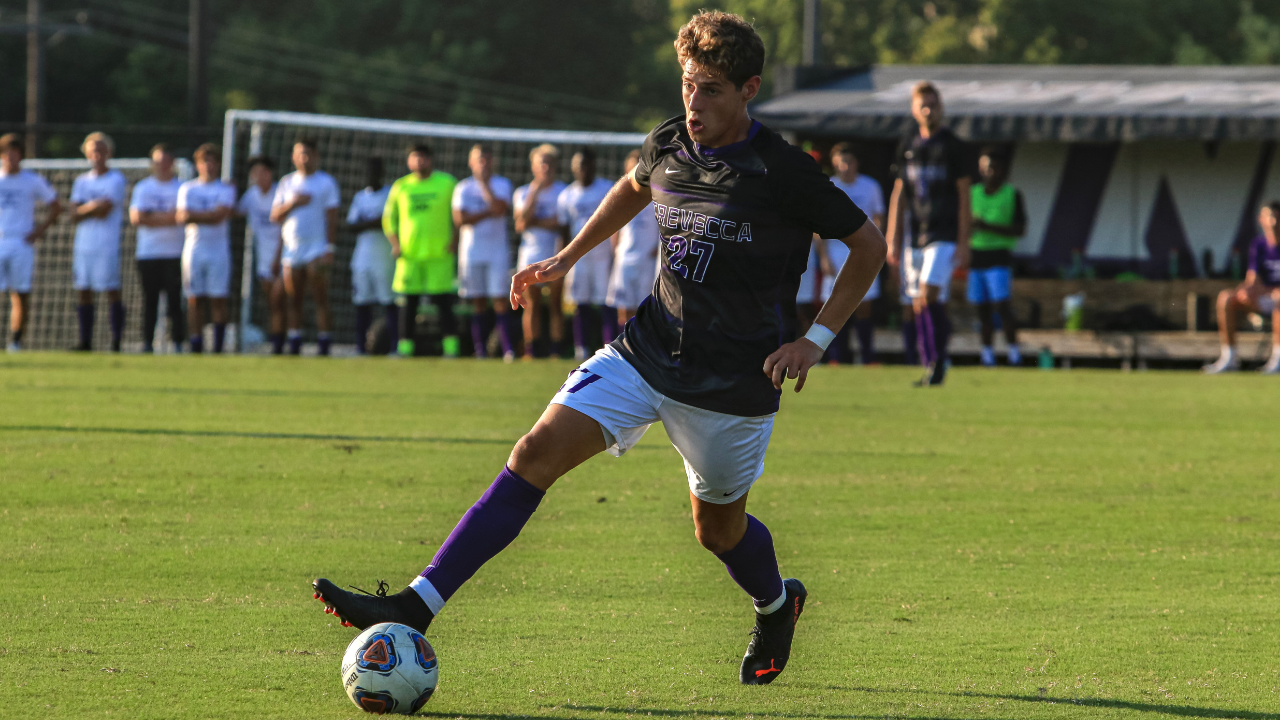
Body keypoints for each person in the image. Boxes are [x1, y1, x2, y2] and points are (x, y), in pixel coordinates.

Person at [312, 10, 886, 688]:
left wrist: (812, 340)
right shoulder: (670, 142)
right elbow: (633, 188)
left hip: (731, 384)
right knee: (532, 454)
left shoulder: (784, 172)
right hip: (645, 350)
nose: (693, 104)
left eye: (711, 90)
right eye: (686, 85)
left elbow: (869, 247)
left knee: (718, 533)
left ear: (749, 90)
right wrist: (565, 257)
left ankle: (775, 605)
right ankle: (417, 604)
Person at [886, 81, 971, 386]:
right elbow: (899, 193)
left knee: (928, 293)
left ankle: (936, 362)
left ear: (941, 107)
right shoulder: (907, 145)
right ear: (913, 109)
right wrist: (892, 237)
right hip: (916, 234)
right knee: (920, 303)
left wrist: (964, 241)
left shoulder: (953, 146)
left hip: (944, 233)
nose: (928, 109)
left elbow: (964, 195)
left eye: (933, 104)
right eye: (923, 104)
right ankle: (933, 360)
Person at [810, 142, 885, 364]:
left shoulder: (870, 186)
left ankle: (867, 357)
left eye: (849, 162)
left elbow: (879, 218)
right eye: (841, 162)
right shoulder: (828, 185)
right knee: (833, 305)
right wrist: (823, 257)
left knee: (864, 305)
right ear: (834, 164)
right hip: (835, 253)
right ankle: (836, 358)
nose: (846, 167)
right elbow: (816, 225)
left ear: (856, 163)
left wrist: (877, 251)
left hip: (864, 252)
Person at [383, 144, 459, 358]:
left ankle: (451, 348)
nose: (419, 162)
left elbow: (458, 216)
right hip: (409, 256)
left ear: (431, 159)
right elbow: (389, 219)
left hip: (440, 254)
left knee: (444, 303)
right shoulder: (401, 187)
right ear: (409, 161)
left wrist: (455, 239)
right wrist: (395, 243)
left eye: (423, 158)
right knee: (409, 303)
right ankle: (405, 348)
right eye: (415, 158)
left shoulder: (447, 183)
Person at [271, 137, 340, 356]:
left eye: (308, 153)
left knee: (320, 297)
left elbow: (332, 218)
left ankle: (324, 343)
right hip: (292, 249)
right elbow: (275, 215)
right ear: (293, 157)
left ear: (317, 156)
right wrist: (293, 203)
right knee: (294, 299)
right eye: (300, 153)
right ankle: (294, 342)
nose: (304, 158)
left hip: (317, 248)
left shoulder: (326, 183)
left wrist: (330, 248)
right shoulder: (287, 183)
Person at [452, 144, 515, 360]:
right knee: (477, 301)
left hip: (497, 252)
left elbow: (500, 209)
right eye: (479, 159)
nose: (483, 164)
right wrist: (488, 211)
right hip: (471, 252)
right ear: (471, 162)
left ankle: (507, 350)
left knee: (500, 299)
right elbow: (460, 219)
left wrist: (485, 186)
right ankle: (480, 350)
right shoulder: (463, 188)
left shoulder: (502, 184)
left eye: (487, 159)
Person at [0, 133, 61, 352]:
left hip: (21, 242)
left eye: (15, 154)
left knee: (20, 293)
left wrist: (39, 231)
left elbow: (55, 205)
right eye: (7, 154)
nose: (11, 158)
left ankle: (16, 342)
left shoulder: (31, 180)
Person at [1205, 201, 1280, 374]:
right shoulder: (1259, 245)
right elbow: (1252, 280)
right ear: (1261, 220)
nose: (1274, 223)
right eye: (1270, 218)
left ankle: (1278, 359)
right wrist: (1246, 291)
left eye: (1277, 218)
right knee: (1226, 298)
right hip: (1265, 299)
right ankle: (1229, 358)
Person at [968, 146, 1026, 367]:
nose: (988, 172)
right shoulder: (972, 193)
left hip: (999, 258)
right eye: (984, 168)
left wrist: (987, 226)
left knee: (1002, 307)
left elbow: (1020, 229)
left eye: (992, 168)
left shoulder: (1012, 194)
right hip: (977, 257)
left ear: (1001, 170)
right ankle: (987, 354)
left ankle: (1013, 352)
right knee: (981, 310)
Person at [70, 132, 128, 352]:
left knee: (111, 289)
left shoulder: (116, 179)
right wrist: (91, 207)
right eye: (93, 150)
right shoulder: (82, 181)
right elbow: (74, 214)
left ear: (109, 153)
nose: (97, 155)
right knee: (84, 289)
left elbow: (105, 209)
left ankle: (116, 341)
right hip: (83, 244)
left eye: (101, 151)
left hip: (106, 244)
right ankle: (85, 341)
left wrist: (87, 208)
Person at [176, 143, 236, 354]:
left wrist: (198, 215)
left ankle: (218, 347)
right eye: (204, 162)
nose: (208, 166)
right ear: (197, 165)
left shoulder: (225, 188)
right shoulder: (188, 188)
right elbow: (183, 216)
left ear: (218, 164)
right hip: (194, 250)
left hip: (218, 251)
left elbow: (221, 215)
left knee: (218, 299)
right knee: (194, 299)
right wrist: (210, 215)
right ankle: (196, 344)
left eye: (212, 162)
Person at [558, 147, 615, 360]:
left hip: (602, 256)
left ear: (593, 166)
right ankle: (580, 349)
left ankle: (609, 350)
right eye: (578, 165)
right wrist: (561, 260)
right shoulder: (566, 196)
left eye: (585, 164)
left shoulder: (607, 189)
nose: (582, 169)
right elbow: (563, 231)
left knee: (606, 302)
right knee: (580, 303)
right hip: (578, 259)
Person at [129, 143, 186, 354]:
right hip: (148, 252)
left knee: (174, 301)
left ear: (172, 163)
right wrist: (168, 217)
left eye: (165, 161)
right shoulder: (143, 188)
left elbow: (182, 217)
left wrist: (152, 217)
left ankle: (178, 342)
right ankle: (147, 342)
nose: (162, 165)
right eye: (157, 161)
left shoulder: (182, 187)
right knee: (149, 300)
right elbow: (137, 218)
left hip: (175, 252)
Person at [513, 144, 567, 359]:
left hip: (555, 254)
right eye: (541, 163)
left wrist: (536, 221)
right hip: (530, 254)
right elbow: (521, 223)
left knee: (555, 304)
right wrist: (535, 193)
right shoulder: (524, 192)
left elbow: (561, 224)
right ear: (533, 166)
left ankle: (556, 351)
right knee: (532, 304)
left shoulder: (563, 191)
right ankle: (531, 351)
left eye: (549, 163)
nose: (545, 167)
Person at [606, 149, 661, 325]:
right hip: (625, 259)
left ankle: (641, 349)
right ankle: (622, 347)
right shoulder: (622, 198)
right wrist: (615, 249)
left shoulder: (657, 198)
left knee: (645, 309)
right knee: (623, 308)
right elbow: (615, 225)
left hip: (647, 260)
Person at [237, 156, 286, 354]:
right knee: (273, 305)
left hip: (282, 257)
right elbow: (237, 211)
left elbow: (286, 229)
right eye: (254, 172)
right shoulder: (251, 196)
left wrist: (278, 258)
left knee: (281, 301)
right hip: (263, 259)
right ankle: (277, 344)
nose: (258, 176)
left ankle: (285, 344)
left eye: (262, 172)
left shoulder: (279, 193)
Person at [347, 157, 394, 355]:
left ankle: (394, 347)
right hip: (362, 258)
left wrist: (369, 223)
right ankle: (360, 347)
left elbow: (388, 223)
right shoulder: (360, 197)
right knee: (362, 302)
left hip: (385, 258)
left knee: (389, 302)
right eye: (368, 171)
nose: (371, 175)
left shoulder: (391, 194)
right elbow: (351, 226)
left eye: (375, 171)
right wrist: (375, 222)